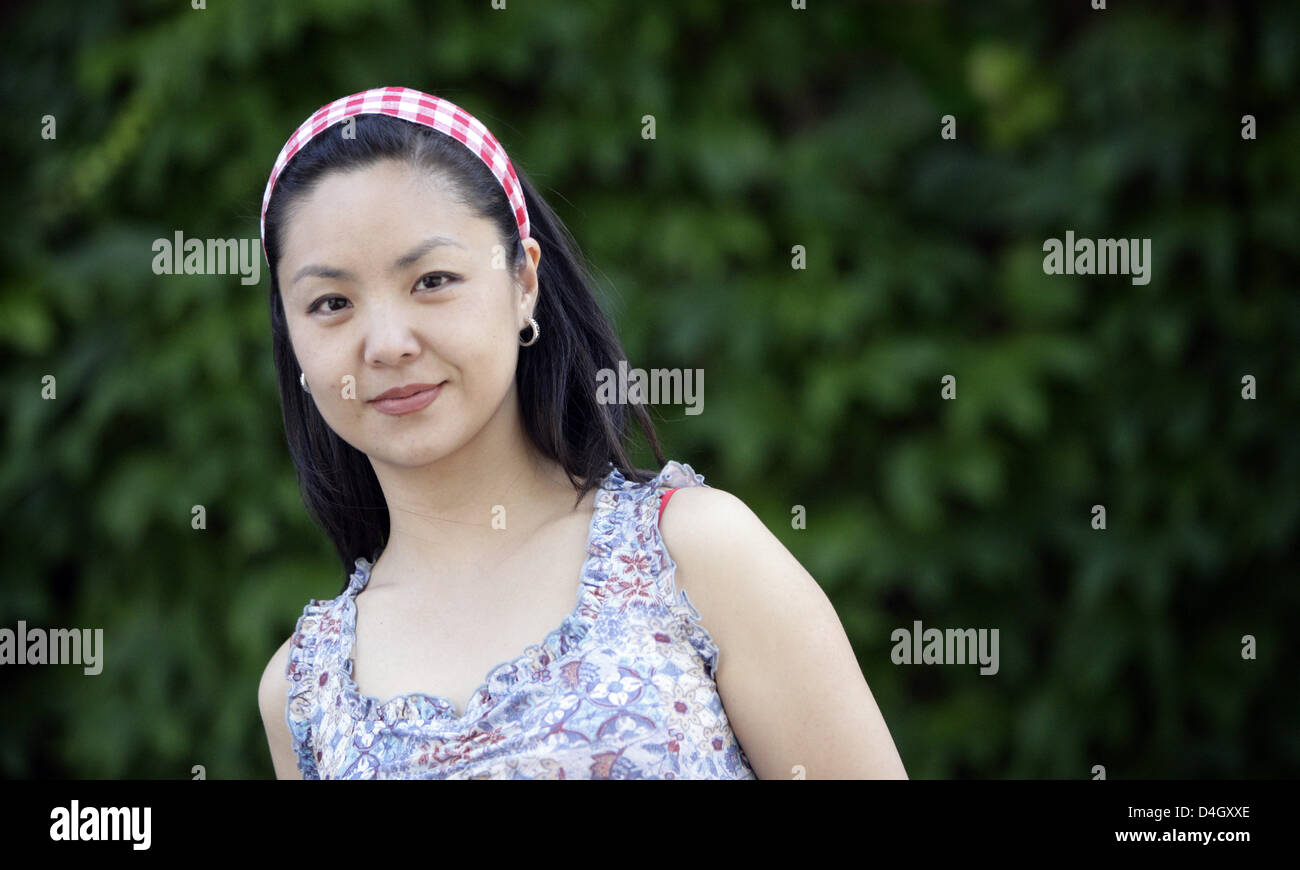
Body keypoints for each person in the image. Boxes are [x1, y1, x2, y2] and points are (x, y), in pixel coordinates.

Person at [256, 87, 907, 779]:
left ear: (523, 283)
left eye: (433, 279)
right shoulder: (303, 691)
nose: (387, 343)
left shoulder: (695, 557)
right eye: (331, 303)